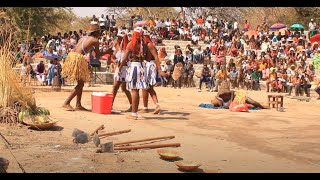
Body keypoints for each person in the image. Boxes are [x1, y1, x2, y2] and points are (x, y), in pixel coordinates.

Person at [61, 24, 103, 111]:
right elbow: (98, 55)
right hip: (78, 58)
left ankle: (78, 104)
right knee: (80, 84)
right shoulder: (95, 40)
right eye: (100, 32)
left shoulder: (83, 37)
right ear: (96, 32)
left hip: (72, 56)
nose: (101, 33)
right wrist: (108, 51)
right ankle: (67, 102)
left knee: (80, 83)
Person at [118, 28, 146, 119]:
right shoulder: (144, 45)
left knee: (134, 90)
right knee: (137, 90)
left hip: (134, 66)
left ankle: (134, 114)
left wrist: (120, 68)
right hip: (142, 67)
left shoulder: (131, 44)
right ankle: (135, 112)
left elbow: (124, 58)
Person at [140, 29, 164, 114]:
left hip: (149, 67)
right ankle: (155, 106)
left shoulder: (150, 45)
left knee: (146, 87)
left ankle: (147, 107)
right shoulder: (144, 45)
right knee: (148, 88)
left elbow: (156, 57)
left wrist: (159, 69)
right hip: (147, 66)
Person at [111, 30, 132, 112]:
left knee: (123, 88)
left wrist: (120, 67)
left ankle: (132, 105)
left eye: (120, 38)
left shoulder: (128, 46)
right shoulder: (116, 45)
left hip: (125, 69)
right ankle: (110, 104)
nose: (119, 39)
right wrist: (114, 61)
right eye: (118, 37)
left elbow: (127, 59)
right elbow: (112, 56)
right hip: (118, 68)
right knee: (116, 87)